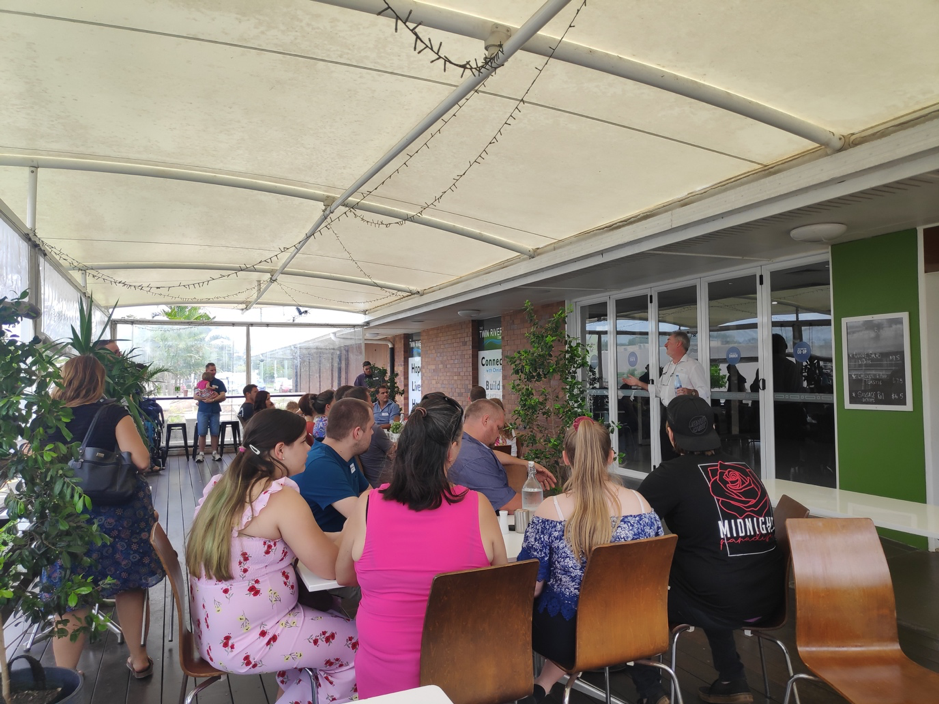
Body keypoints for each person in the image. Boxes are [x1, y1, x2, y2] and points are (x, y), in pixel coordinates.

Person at [335, 394, 507, 698]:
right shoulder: (478, 507)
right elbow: (498, 588)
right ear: (452, 450)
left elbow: (344, 575)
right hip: (462, 676)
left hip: (383, 682)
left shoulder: (368, 505)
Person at [186, 410, 357, 704]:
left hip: (216, 633)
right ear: (280, 450)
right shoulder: (280, 498)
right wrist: (357, 528)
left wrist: (342, 536)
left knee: (330, 615)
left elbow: (306, 538)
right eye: (304, 442)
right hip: (251, 638)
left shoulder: (223, 486)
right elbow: (331, 568)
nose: (311, 448)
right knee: (357, 643)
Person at [633, 396, 785, 704]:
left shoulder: (671, 474)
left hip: (716, 602)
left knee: (639, 594)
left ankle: (651, 693)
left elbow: (627, 520)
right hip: (767, 602)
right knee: (714, 569)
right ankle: (733, 678)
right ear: (713, 428)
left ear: (670, 432)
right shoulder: (743, 467)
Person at [518, 416, 663, 703]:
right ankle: (653, 691)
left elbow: (531, 587)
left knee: (547, 604)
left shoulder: (552, 509)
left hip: (569, 636)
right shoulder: (642, 504)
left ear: (565, 458)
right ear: (611, 456)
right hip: (637, 628)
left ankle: (539, 688)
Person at [44, 355, 165, 676]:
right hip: (117, 514)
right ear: (98, 381)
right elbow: (140, 460)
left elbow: (34, 466)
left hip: (65, 516)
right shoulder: (112, 412)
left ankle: (66, 674)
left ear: (64, 379)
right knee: (129, 583)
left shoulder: (45, 416)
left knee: (72, 591)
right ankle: (139, 660)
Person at [448, 399, 556, 512]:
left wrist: (526, 464)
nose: (499, 435)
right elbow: (509, 503)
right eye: (498, 428)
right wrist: (555, 505)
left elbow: (491, 454)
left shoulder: (463, 442)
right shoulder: (475, 457)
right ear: (485, 420)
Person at [623, 331, 709, 462]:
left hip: (684, 413)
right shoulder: (668, 367)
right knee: (667, 449)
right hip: (668, 413)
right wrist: (638, 383)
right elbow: (658, 390)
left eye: (668, 341)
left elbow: (705, 391)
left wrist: (691, 392)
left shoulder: (692, 366)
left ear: (679, 343)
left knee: (684, 451)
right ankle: (670, 479)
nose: (665, 344)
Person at [294, 398, 372, 531]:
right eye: (371, 427)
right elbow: (365, 518)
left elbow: (369, 494)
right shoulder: (321, 465)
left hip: (342, 540)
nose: (373, 432)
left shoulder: (345, 454)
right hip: (325, 547)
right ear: (357, 433)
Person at [346, 386, 395, 487]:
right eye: (369, 400)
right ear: (363, 404)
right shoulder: (374, 431)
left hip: (366, 484)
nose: (372, 404)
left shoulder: (347, 433)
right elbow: (394, 454)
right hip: (385, 485)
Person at [194, 362, 227, 463]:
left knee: (215, 432)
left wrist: (213, 399)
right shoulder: (200, 383)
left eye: (215, 370)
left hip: (215, 411)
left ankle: (214, 452)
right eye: (211, 370)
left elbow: (223, 396)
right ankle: (201, 453)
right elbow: (195, 396)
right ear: (206, 371)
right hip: (203, 411)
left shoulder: (219, 383)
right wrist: (204, 399)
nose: (213, 372)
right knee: (202, 432)